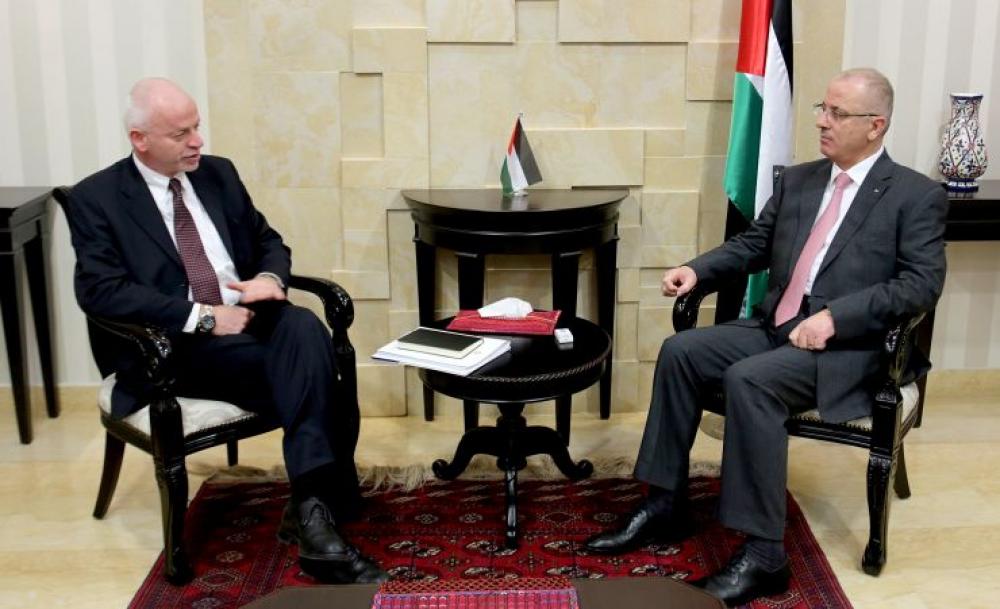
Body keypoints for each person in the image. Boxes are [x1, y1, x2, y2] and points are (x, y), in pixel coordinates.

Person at [583, 68, 947, 605]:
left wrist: (837, 318)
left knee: (749, 381)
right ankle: (664, 504)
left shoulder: (914, 195)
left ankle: (764, 555)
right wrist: (696, 270)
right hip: (776, 326)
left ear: (876, 125)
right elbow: (754, 243)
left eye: (837, 113)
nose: (822, 121)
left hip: (847, 349)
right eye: (822, 108)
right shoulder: (800, 180)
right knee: (681, 352)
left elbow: (921, 284)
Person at [66, 77, 387, 585]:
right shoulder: (97, 198)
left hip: (250, 319)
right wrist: (205, 317)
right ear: (139, 139)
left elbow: (268, 240)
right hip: (176, 346)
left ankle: (309, 508)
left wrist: (269, 279)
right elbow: (101, 291)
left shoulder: (219, 174)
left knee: (304, 326)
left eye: (197, 127)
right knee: (316, 370)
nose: (197, 142)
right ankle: (318, 508)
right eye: (181, 134)